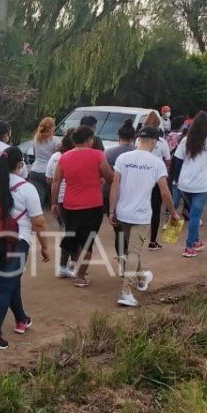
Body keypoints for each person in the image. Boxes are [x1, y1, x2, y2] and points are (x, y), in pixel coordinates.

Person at [0, 146, 49, 350]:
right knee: (6, 286)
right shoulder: (27, 188)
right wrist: (45, 246)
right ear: (20, 165)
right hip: (16, 242)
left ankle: (22, 319)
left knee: (11, 282)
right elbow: (39, 222)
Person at [109, 126, 180, 307]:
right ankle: (125, 291)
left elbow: (115, 186)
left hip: (123, 212)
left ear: (139, 139)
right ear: (155, 142)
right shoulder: (156, 163)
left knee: (133, 249)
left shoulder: (123, 158)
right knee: (134, 252)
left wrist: (111, 210)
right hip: (141, 215)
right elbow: (164, 192)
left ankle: (141, 279)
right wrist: (173, 212)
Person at [51, 126, 113, 288]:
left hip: (69, 204)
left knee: (76, 238)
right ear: (88, 139)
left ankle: (76, 268)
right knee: (87, 241)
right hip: (92, 205)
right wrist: (102, 180)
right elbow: (109, 176)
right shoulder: (97, 155)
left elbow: (56, 182)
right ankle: (80, 276)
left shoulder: (64, 157)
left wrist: (53, 203)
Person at [174, 112, 207, 258]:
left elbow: (177, 162)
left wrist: (176, 179)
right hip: (202, 185)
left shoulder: (185, 141)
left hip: (184, 184)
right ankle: (189, 246)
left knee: (193, 212)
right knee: (195, 215)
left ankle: (196, 241)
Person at [103, 119, 137, 270]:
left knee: (119, 232)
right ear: (134, 137)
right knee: (133, 231)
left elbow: (105, 176)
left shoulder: (109, 152)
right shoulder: (139, 154)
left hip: (112, 194)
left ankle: (122, 263)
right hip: (134, 195)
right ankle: (132, 261)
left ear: (119, 136)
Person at [45, 128, 76, 274]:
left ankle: (67, 263)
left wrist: (53, 201)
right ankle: (71, 262)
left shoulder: (55, 157)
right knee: (75, 232)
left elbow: (49, 179)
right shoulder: (77, 156)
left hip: (60, 199)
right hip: (74, 198)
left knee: (68, 231)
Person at [140, 113, 171, 250]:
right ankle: (152, 241)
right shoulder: (162, 142)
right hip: (157, 178)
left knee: (141, 206)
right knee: (155, 209)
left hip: (141, 177)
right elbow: (168, 160)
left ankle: (137, 238)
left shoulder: (139, 140)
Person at [27, 117, 57, 208]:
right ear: (51, 127)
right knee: (50, 195)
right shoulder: (55, 141)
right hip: (48, 172)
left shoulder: (35, 139)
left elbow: (36, 154)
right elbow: (56, 157)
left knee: (38, 197)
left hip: (35, 170)